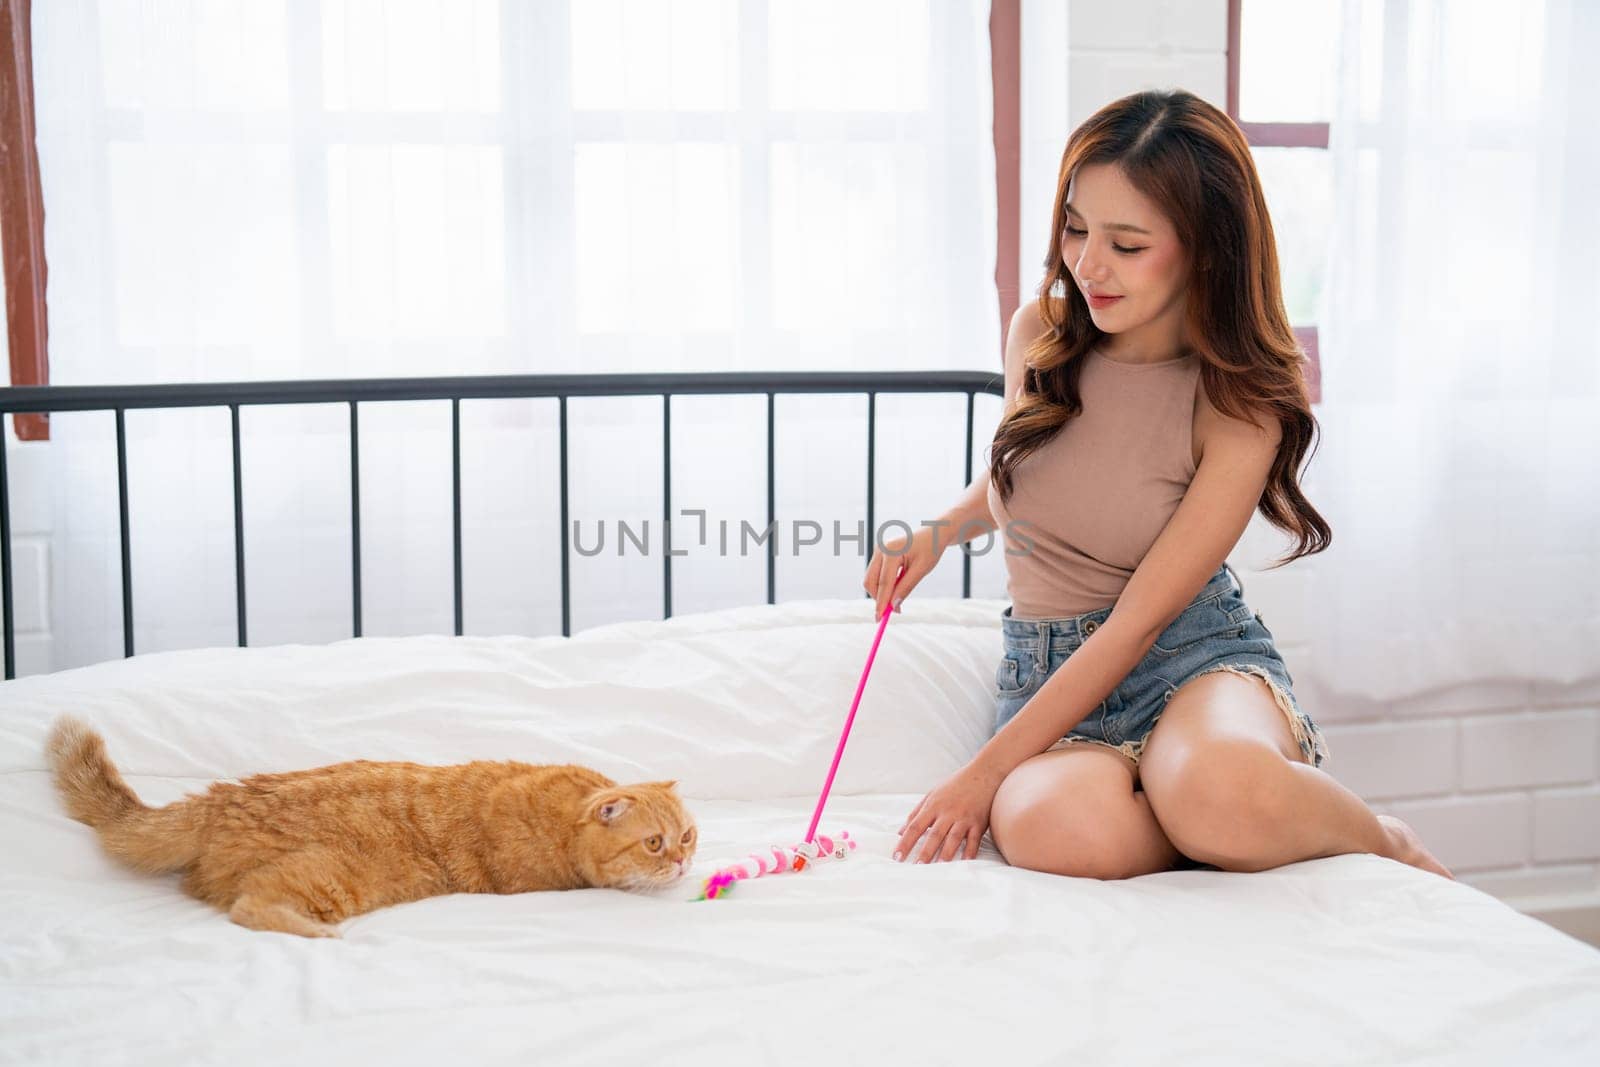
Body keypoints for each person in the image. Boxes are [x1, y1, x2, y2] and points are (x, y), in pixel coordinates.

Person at [861, 89, 1453, 882]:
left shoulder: (1240, 408)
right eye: (1075, 227)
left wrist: (981, 773)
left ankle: (1382, 839)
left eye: (1127, 244)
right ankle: (1202, 821)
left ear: (1205, 249)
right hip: (1046, 662)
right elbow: (1037, 480)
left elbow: (1136, 625)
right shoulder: (1038, 334)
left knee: (1214, 786)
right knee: (1053, 828)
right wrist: (935, 533)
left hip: (1189, 656)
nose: (1087, 264)